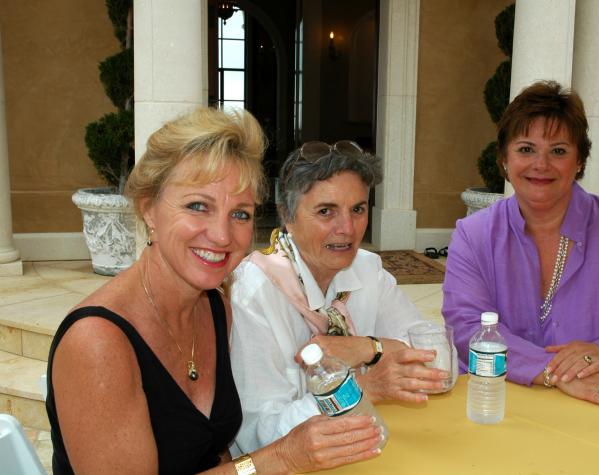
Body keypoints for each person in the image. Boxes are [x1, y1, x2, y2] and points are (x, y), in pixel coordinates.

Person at [45, 108, 382, 475]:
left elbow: (209, 451)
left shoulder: (215, 308)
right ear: (149, 211)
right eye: (197, 206)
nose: (222, 236)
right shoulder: (97, 342)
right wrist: (280, 458)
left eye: (240, 214)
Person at [442, 81, 599, 410]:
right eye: (526, 149)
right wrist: (557, 373)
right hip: (499, 407)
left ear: (580, 161)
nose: (541, 164)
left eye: (559, 151)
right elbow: (466, 329)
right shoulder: (474, 235)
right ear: (504, 160)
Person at [229, 140, 452, 454]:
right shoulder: (253, 295)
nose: (347, 229)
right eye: (326, 212)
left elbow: (437, 361)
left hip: (364, 449)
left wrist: (365, 348)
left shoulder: (366, 270)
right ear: (287, 216)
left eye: (358, 210)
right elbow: (258, 435)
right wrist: (361, 390)